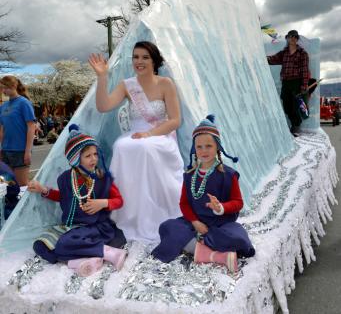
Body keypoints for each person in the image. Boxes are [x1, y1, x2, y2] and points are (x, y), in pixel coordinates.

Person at [89, 41, 184, 243]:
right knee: (121, 146)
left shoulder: (165, 83)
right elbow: (103, 106)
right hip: (134, 135)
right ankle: (128, 211)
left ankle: (157, 212)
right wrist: (102, 77)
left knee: (145, 147)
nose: (139, 61)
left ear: (154, 60)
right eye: (135, 57)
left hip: (160, 135)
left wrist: (150, 134)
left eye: (144, 57)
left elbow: (175, 120)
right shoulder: (127, 85)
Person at [151, 115, 255, 274]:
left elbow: (238, 202)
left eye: (209, 146)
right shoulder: (189, 175)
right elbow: (184, 204)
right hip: (194, 224)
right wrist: (194, 222)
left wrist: (220, 207)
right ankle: (214, 254)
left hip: (220, 225)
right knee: (168, 228)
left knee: (239, 238)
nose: (204, 150)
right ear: (194, 149)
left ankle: (200, 248)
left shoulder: (228, 175)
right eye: (199, 147)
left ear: (217, 147)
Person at [28, 125, 127, 277]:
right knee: (40, 246)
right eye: (88, 156)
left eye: (95, 154)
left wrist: (102, 203)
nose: (93, 159)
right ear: (75, 159)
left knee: (64, 243)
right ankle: (85, 259)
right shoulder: (66, 178)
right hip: (71, 226)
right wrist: (43, 190)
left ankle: (111, 253)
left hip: (94, 226)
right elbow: (65, 197)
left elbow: (119, 201)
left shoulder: (101, 178)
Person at [267, 29, 309, 136]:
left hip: (296, 82)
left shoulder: (302, 53)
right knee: (286, 104)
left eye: (295, 37)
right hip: (286, 82)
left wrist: (304, 85)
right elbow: (273, 59)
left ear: (297, 39)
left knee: (296, 105)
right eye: (291, 36)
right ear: (287, 38)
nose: (293, 38)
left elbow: (305, 70)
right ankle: (293, 124)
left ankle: (296, 126)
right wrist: (263, 59)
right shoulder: (284, 53)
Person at [0, 76, 36, 186]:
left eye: (5, 87)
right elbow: (2, 129)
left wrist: (27, 151)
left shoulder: (24, 103)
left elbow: (31, 127)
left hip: (20, 151)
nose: (3, 91)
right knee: (9, 185)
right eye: (2, 88)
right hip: (6, 151)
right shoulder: (3, 106)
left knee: (22, 186)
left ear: (14, 86)